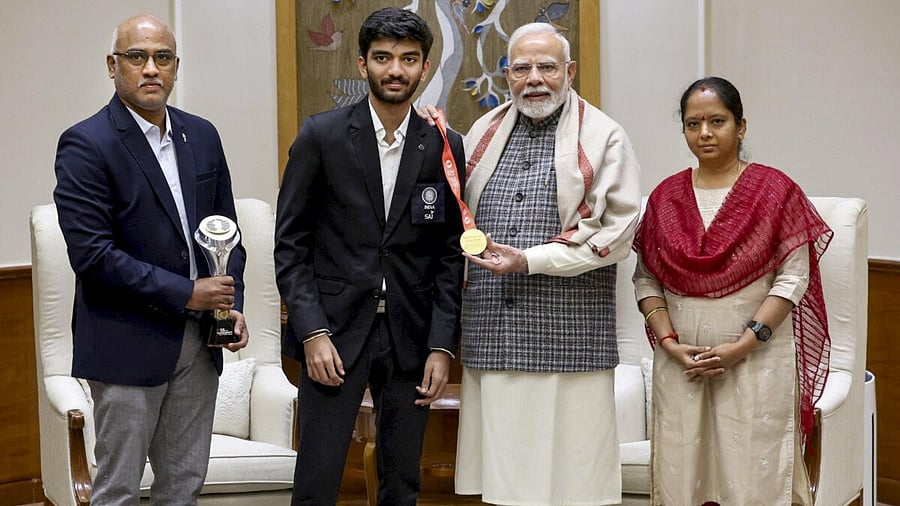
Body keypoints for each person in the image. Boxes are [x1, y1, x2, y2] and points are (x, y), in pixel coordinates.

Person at [274, 7, 466, 505]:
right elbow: (290, 247)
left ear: (425, 68)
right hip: (333, 337)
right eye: (383, 58)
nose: (395, 70)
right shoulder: (322, 135)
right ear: (363, 65)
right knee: (317, 480)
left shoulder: (445, 145)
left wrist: (442, 346)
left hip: (411, 337)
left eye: (408, 59)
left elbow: (449, 255)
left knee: (402, 481)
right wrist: (311, 331)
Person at [53, 14, 249, 504]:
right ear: (112, 65)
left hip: (200, 343)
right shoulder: (86, 143)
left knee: (183, 487)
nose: (150, 69)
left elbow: (228, 235)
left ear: (176, 66)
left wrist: (229, 304)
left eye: (162, 58)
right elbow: (93, 256)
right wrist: (188, 292)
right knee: (118, 490)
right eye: (136, 57)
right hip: (127, 343)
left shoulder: (201, 135)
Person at [450, 22, 642, 505]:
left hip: (570, 337)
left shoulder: (604, 136)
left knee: (574, 481)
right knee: (502, 480)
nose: (534, 78)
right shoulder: (481, 132)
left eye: (547, 66)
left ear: (570, 71)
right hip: (494, 332)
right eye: (521, 68)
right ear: (507, 75)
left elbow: (617, 235)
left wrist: (530, 260)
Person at [632, 76, 832, 506]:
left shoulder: (776, 190)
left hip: (756, 359)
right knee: (682, 477)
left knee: (752, 480)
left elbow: (793, 277)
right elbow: (646, 279)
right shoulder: (665, 197)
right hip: (681, 362)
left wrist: (743, 345)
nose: (704, 133)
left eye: (717, 121)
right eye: (693, 123)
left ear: (741, 127)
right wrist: (669, 343)